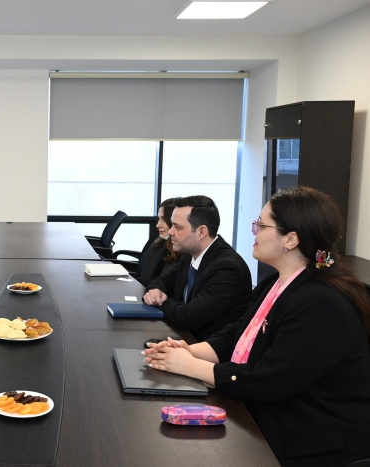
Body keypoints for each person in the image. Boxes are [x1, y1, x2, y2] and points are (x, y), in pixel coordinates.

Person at [144, 187, 370, 466]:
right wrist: (189, 351)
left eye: (261, 225)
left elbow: (270, 380)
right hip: (268, 417)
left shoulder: (322, 303)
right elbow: (238, 334)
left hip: (310, 442)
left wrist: (190, 366)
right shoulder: (274, 283)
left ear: (291, 239)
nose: (254, 232)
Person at [143, 195, 252, 341]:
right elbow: (162, 281)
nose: (171, 232)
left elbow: (189, 317)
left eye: (177, 227)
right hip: (182, 338)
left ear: (201, 232)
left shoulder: (228, 268)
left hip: (206, 348)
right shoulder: (190, 255)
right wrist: (155, 291)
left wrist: (158, 301)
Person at [134, 198, 181, 287]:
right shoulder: (162, 245)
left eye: (164, 219)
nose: (158, 225)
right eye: (159, 219)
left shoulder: (183, 254)